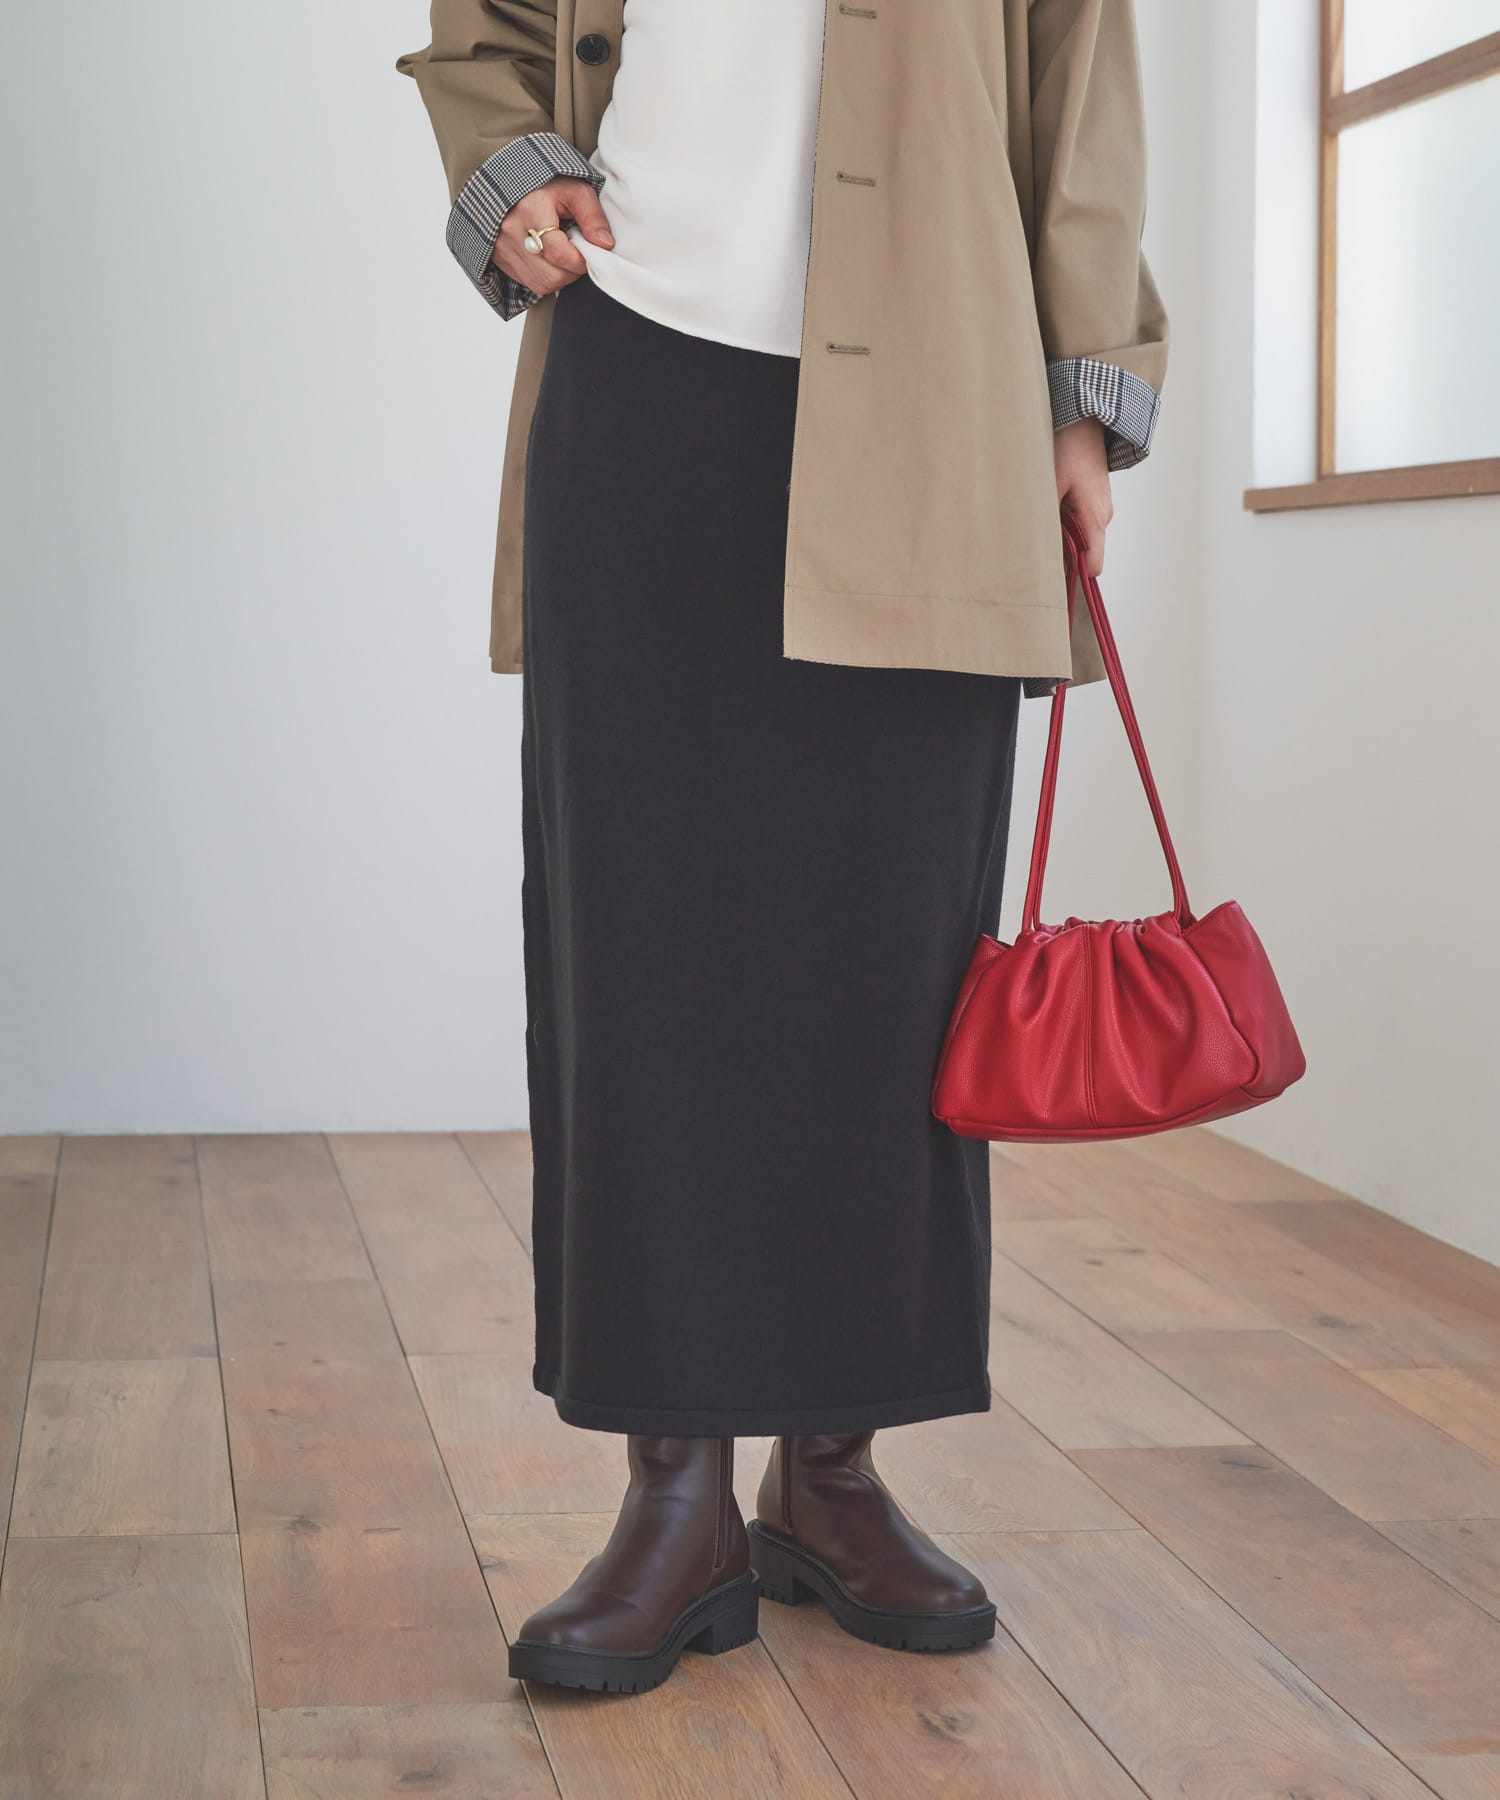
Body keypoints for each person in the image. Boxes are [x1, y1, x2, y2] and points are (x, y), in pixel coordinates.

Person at [398, 0, 1167, 1695]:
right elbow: (489, 25)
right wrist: (507, 164)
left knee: (891, 958)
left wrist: (1083, 396)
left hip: (947, 390)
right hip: (641, 357)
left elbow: (1079, 77)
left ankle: (832, 1468)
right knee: (639, 950)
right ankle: (672, 1497)